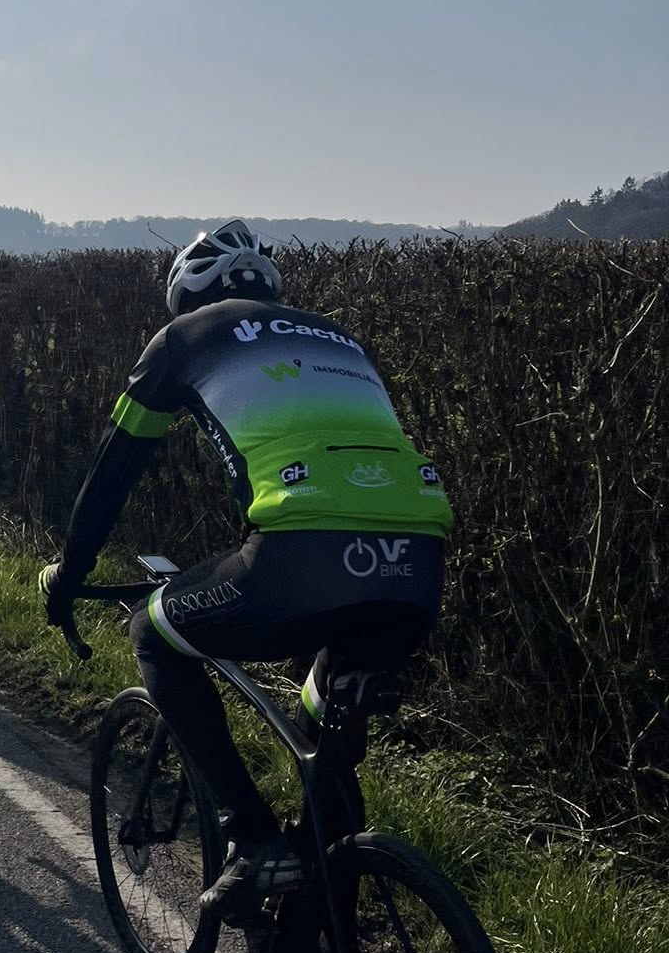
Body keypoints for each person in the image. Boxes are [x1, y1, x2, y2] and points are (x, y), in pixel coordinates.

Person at [40, 219, 453, 917]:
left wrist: (70, 572)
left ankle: (253, 839)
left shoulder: (184, 338)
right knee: (324, 728)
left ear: (186, 298)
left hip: (300, 556)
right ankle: (319, 937)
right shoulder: (340, 339)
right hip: (416, 564)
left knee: (153, 631)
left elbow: (112, 475)